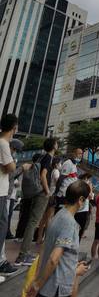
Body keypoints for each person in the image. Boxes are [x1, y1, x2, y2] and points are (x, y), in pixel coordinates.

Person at [25, 180, 90, 297]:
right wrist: (37, 284)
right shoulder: (69, 223)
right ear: (80, 200)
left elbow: (46, 251)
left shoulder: (58, 215)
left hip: (48, 288)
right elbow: (54, 259)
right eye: (86, 199)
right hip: (55, 291)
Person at [16, 136, 59, 266]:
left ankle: (24, 253)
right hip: (41, 193)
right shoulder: (48, 158)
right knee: (33, 222)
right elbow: (43, 175)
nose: (57, 145)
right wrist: (47, 191)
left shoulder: (42, 156)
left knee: (32, 221)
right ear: (53, 146)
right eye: (56, 143)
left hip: (35, 192)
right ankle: (23, 255)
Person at [0, 113, 18, 277]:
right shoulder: (4, 144)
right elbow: (10, 167)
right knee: (2, 225)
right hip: (1, 191)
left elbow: (7, 167)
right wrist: (10, 164)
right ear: (14, 127)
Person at [36, 156, 62, 244]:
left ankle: (39, 238)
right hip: (52, 196)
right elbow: (58, 181)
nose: (60, 165)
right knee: (49, 219)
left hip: (47, 195)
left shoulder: (50, 171)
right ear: (56, 164)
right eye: (60, 163)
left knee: (43, 219)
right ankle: (47, 239)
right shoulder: (56, 171)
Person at [74, 173, 94, 240]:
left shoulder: (78, 184)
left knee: (78, 230)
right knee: (77, 230)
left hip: (82, 210)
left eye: (88, 178)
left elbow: (90, 197)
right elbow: (90, 196)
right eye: (86, 178)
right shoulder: (80, 185)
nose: (88, 180)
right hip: (79, 210)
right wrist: (90, 188)